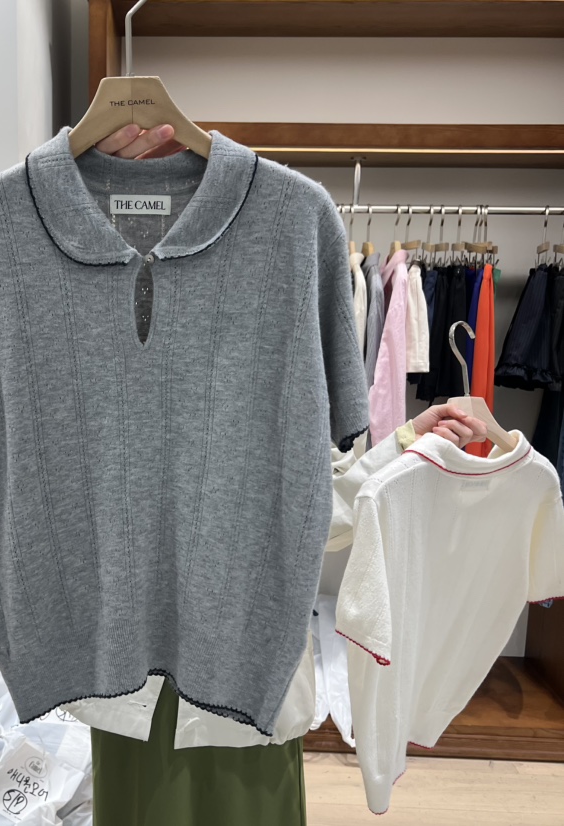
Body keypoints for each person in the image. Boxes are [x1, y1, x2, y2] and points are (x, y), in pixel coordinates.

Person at [86, 123, 489, 826]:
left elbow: (315, 502)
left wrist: (404, 445)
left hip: (246, 654)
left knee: (242, 799)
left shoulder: (272, 324)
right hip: (134, 661)